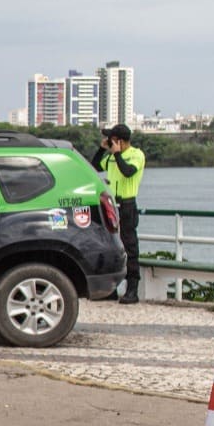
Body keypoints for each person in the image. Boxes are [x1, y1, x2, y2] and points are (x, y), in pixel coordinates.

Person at [92, 123, 146, 304]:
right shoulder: (112, 157)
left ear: (120, 141)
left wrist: (116, 153)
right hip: (112, 205)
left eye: (112, 140)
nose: (110, 142)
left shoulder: (136, 155)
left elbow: (128, 172)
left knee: (129, 247)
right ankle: (111, 289)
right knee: (110, 246)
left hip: (127, 205)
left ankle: (132, 290)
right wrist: (102, 149)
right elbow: (94, 166)